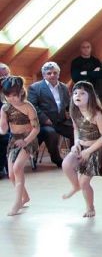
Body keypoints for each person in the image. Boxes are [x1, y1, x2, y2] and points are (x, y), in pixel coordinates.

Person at [61, 81, 102, 218]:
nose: (78, 95)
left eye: (82, 93)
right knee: (66, 164)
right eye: (75, 93)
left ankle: (90, 207)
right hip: (81, 146)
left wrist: (88, 151)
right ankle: (75, 186)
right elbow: (76, 129)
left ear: (91, 97)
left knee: (84, 182)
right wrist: (76, 143)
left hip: (96, 150)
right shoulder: (74, 112)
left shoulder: (97, 115)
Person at [0, 76, 40, 216]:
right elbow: (4, 128)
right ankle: (25, 197)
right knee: (11, 174)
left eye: (14, 95)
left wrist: (26, 141)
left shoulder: (28, 107)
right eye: (8, 96)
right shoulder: (5, 108)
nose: (11, 99)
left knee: (17, 168)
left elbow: (36, 129)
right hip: (14, 140)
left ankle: (17, 203)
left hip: (29, 139)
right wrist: (2, 128)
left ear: (21, 92)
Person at [28, 62, 74, 167]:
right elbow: (32, 106)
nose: (52, 75)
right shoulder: (35, 87)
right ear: (44, 75)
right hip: (44, 124)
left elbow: (69, 104)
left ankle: (74, 157)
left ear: (58, 74)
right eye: (49, 73)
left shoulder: (63, 87)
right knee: (51, 133)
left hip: (61, 121)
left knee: (76, 130)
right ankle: (56, 159)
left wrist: (72, 115)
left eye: (55, 73)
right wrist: (45, 119)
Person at [0, 63, 11, 179]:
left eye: (6, 76)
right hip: (2, 125)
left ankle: (6, 167)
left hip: (14, 124)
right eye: (1, 76)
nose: (3, 79)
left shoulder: (15, 90)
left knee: (5, 137)